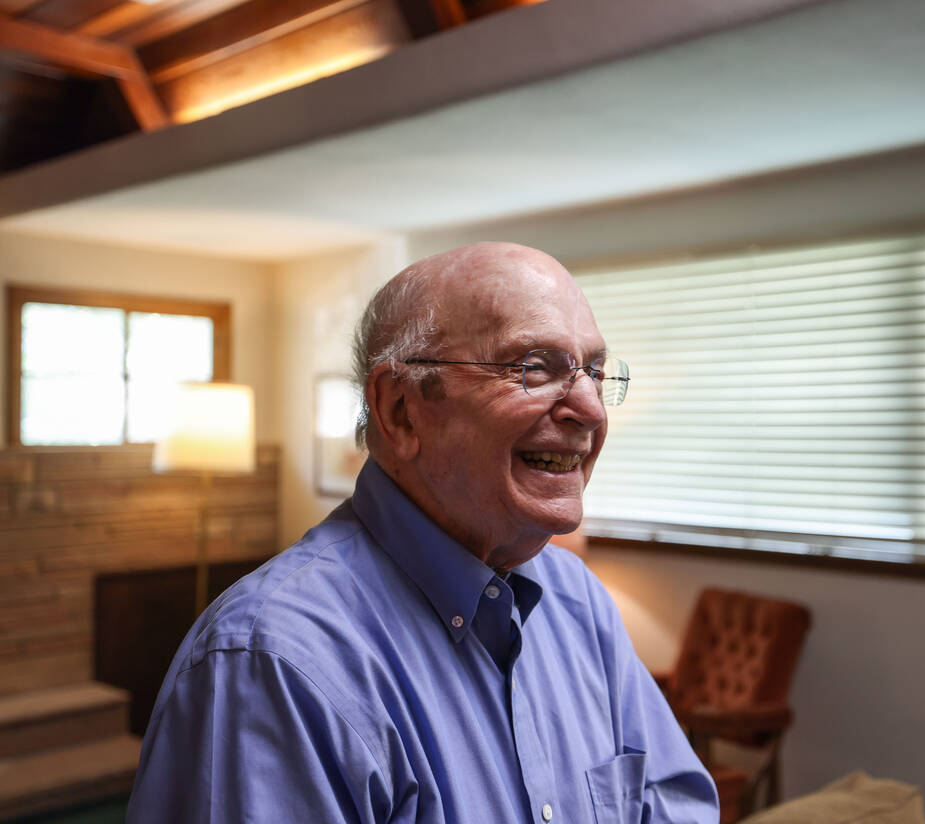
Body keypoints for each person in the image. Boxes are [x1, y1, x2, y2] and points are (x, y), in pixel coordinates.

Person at [126, 242, 719, 823]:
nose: (590, 409)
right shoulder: (271, 662)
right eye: (533, 367)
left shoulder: (577, 601)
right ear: (400, 411)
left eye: (593, 370)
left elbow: (674, 805)